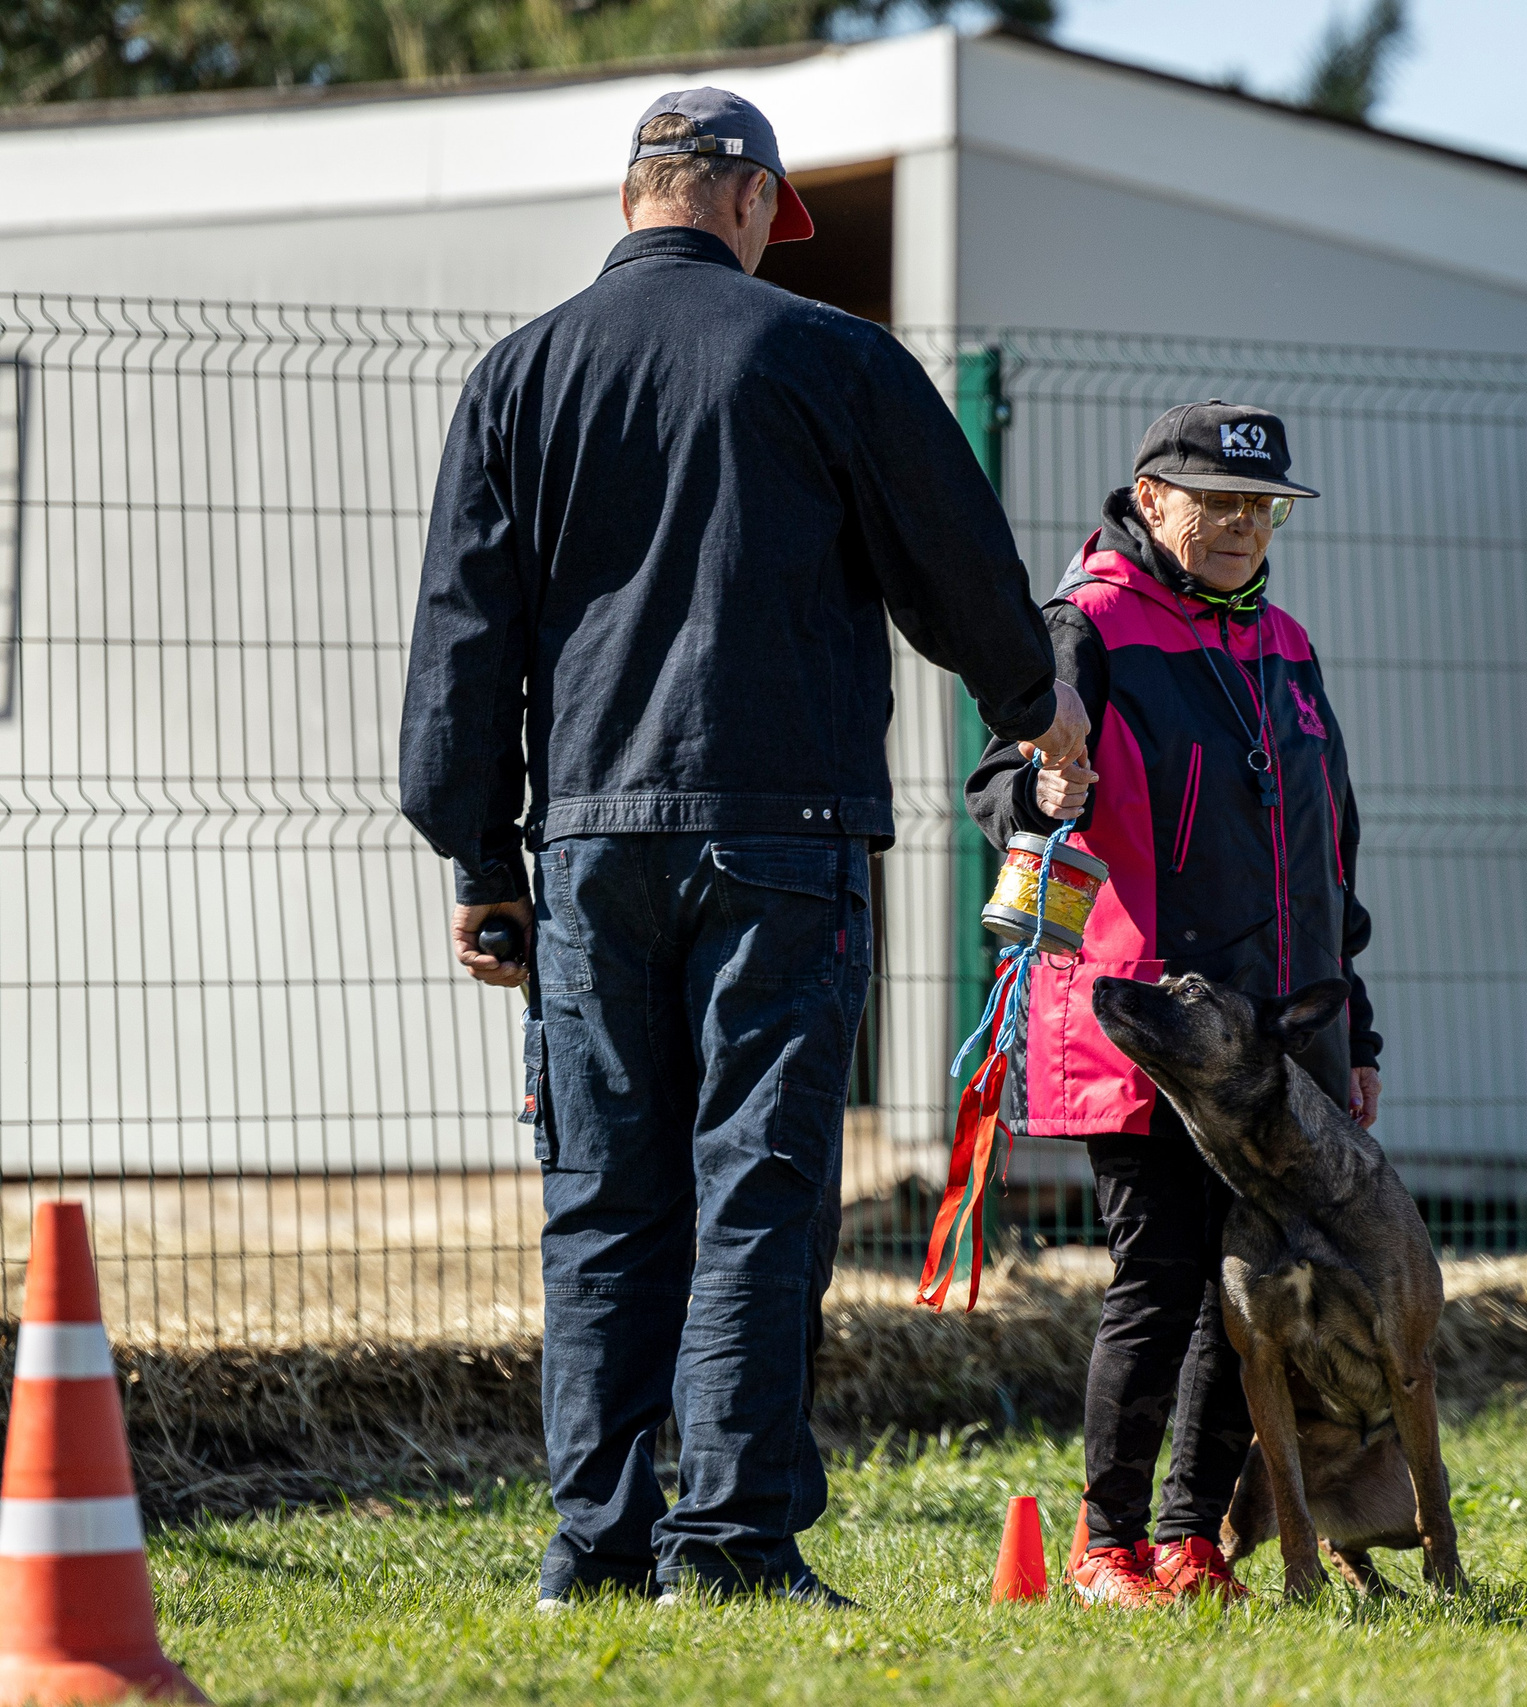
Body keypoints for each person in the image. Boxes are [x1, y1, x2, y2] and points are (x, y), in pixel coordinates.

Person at [398, 87, 1089, 1607]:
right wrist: (1038, 710)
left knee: (603, 1196)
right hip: (783, 835)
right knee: (758, 1184)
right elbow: (959, 572)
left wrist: (479, 860)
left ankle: (595, 1540)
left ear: (639, 192)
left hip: (584, 847)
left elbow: (462, 639)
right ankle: (728, 1537)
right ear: (752, 203)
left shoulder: (519, 376)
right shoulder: (830, 355)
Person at [967, 402, 1384, 1606]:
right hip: (1147, 1027)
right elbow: (1001, 790)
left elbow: (1331, 856)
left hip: (1284, 1042)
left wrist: (1353, 1028)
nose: (1243, 528)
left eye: (1262, 509)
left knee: (1240, 1289)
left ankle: (1191, 1538)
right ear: (1150, 500)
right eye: (1217, 504)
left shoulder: (1288, 647)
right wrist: (1045, 793)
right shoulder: (1083, 627)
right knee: (1161, 1276)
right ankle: (1106, 1547)